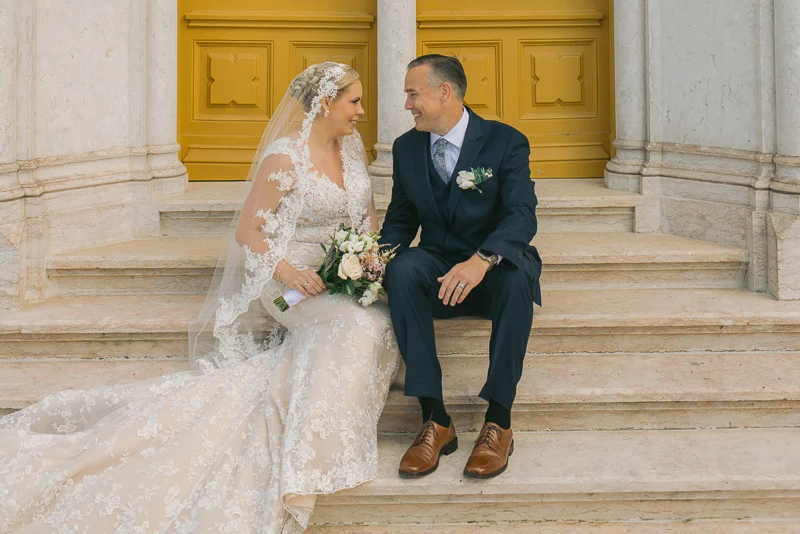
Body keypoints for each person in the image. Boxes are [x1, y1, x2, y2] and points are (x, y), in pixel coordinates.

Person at [0, 62, 399, 533]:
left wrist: (364, 265)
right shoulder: (285, 157)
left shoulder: (352, 150)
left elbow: (368, 222)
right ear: (326, 102)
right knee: (359, 325)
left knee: (379, 319)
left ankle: (320, 412)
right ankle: (316, 454)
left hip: (341, 275)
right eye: (354, 101)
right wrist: (292, 271)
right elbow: (249, 232)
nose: (362, 111)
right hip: (291, 283)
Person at [381, 53, 541, 480]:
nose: (407, 104)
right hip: (438, 265)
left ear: (445, 92)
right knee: (401, 271)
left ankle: (499, 421)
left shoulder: (506, 141)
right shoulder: (406, 147)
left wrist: (481, 260)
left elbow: (522, 215)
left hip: (493, 266)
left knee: (516, 278)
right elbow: (400, 220)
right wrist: (372, 260)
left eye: (413, 94)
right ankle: (435, 419)